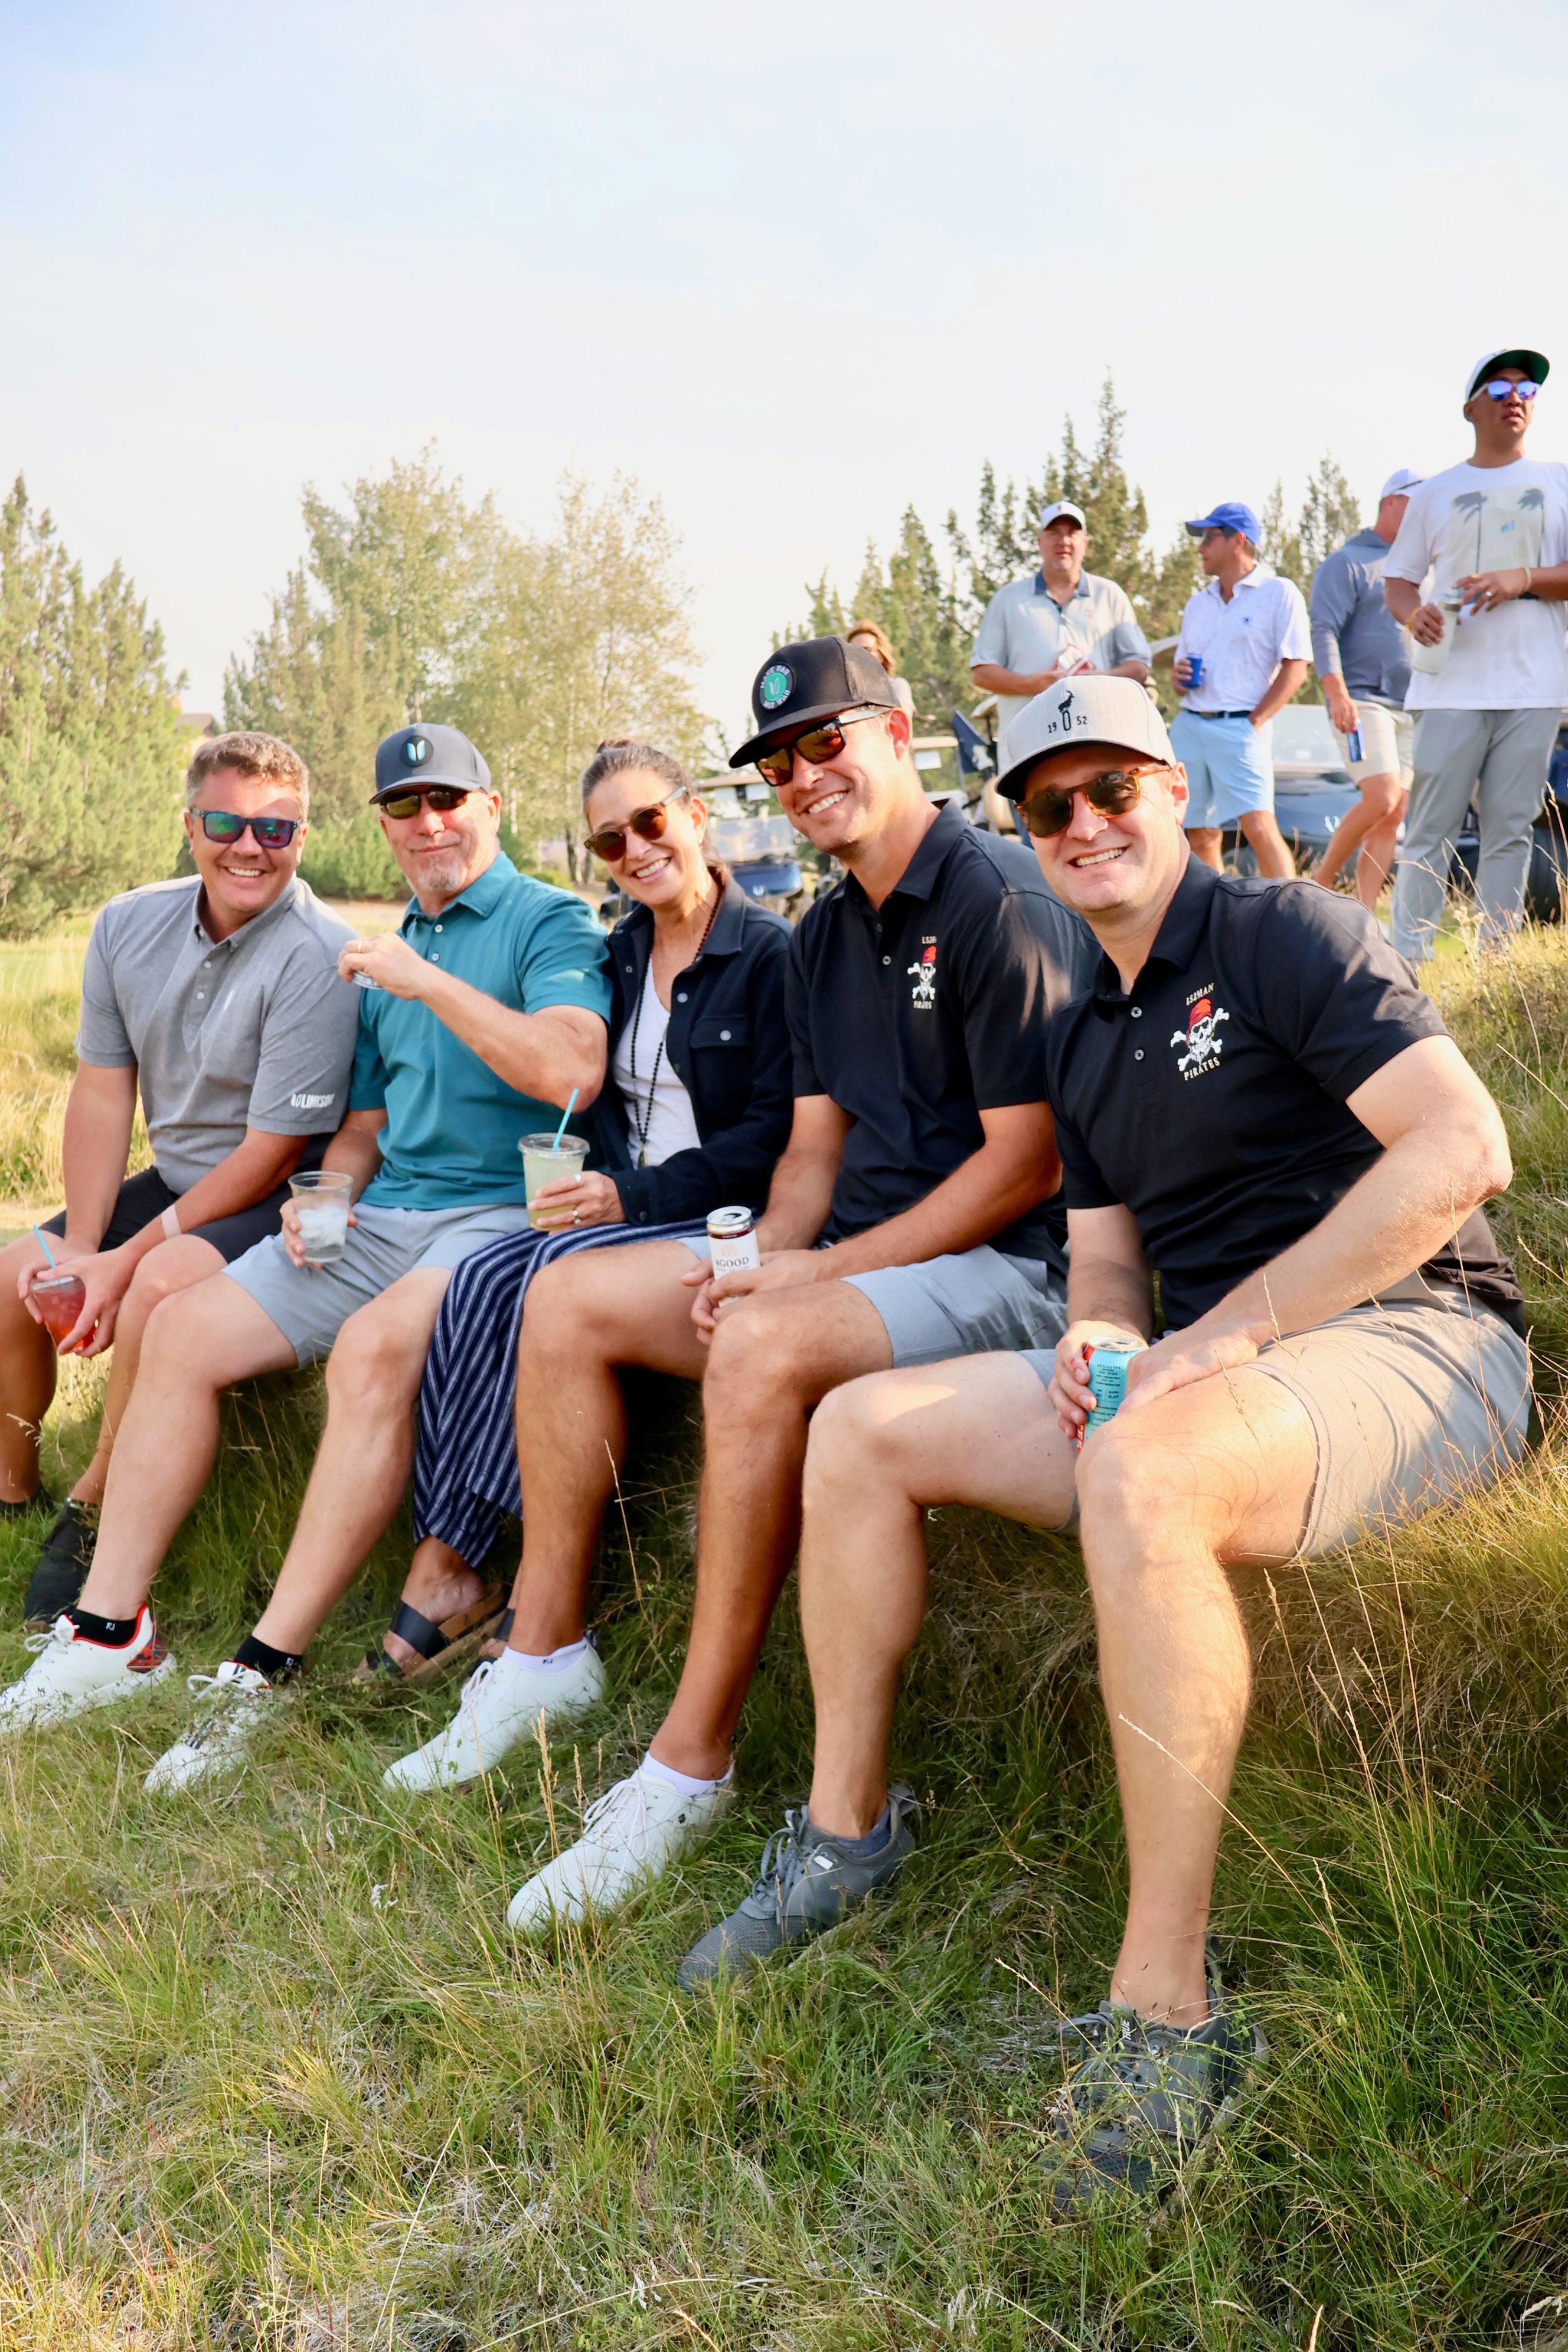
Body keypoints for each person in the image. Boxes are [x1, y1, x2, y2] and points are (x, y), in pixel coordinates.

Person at [682, 675, 1531, 2209]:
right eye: (1048, 804)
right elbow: (1109, 1262)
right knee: (864, 1428)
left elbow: (1466, 1151)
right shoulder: (1085, 1028)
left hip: (1421, 1341)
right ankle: (842, 1832)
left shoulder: (1289, 934)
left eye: (1111, 788)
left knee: (1143, 1463)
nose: (1083, 825)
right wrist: (1105, 1335)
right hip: (1220, 1370)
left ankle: (1167, 2012)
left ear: (1176, 788)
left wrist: (1229, 1336)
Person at [390, 634, 1094, 1930]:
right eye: (779, 758)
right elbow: (812, 1156)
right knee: (564, 1294)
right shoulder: (826, 933)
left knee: (765, 1348)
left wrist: (807, 1279)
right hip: (862, 1265)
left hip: (1007, 1274)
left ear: (892, 734)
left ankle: (689, 1761)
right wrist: (752, 1263)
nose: (803, 774)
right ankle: (545, 1650)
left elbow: (1019, 1168)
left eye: (825, 741)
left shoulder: (996, 898)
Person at [0, 723, 612, 1782]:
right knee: (182, 1326)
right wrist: (328, 1191)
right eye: (405, 806)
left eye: (449, 800)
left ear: (493, 806)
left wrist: (425, 979)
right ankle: (110, 1634)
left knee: (374, 1346)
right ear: (381, 826)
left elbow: (572, 1071)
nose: (428, 823)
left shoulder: (542, 919)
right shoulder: (381, 951)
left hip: (501, 1218)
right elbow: (366, 1124)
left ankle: (260, 1665)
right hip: (384, 1215)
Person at [359, 736, 793, 1683]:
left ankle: (484, 1576)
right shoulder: (624, 950)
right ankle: (453, 1557)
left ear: (695, 816)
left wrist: (624, 1195)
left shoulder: (769, 955)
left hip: (718, 1216)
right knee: (480, 1277)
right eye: (609, 841)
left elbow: (768, 1143)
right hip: (629, 1207)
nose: (635, 850)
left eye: (650, 822)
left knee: (544, 1276)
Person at [0, 730, 358, 1628]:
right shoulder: (128, 923)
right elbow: (101, 1088)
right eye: (228, 822)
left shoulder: (320, 955)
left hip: (276, 1197)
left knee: (155, 1287)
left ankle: (89, 1509)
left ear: (303, 837)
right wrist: (83, 1249)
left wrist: (123, 1265)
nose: (250, 846)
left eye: (277, 830)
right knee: (13, 1278)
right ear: (191, 822)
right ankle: (14, 1491)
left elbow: (273, 1155)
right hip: (178, 1177)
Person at [1381, 348, 1568, 965]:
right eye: (1498, 386)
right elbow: (1400, 581)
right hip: (1448, 690)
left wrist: (1522, 577)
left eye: (1526, 389)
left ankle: (1497, 963)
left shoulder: (1559, 480)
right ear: (1470, 407)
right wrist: (1414, 613)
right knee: (1429, 830)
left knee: (1509, 832)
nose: (1514, 396)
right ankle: (1408, 960)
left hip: (1532, 689)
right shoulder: (1436, 492)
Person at [969, 500, 1152, 789]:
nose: (1063, 541)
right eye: (1054, 533)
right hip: (1030, 755)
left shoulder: (1110, 595)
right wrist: (1034, 684)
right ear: (1040, 541)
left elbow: (1139, 668)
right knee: (1039, 833)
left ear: (1085, 542)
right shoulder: (1008, 600)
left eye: (1072, 532)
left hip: (1100, 747)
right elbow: (981, 673)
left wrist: (1089, 682)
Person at [1171, 502, 1310, 881]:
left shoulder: (1279, 592)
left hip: (1241, 726)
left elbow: (1296, 669)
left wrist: (1255, 721)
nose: (1200, 547)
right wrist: (1178, 677)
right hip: (1189, 724)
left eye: (1209, 537)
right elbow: (1179, 670)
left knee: (1259, 827)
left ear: (1239, 541)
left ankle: (1292, 917)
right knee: (1198, 834)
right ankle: (1216, 924)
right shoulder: (1198, 603)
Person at [1309, 469, 1423, 907]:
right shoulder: (1348, 561)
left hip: (1412, 706)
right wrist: (1336, 692)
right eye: (1418, 503)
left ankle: (1364, 918)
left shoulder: (1421, 567)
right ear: (1392, 501)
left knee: (1394, 815)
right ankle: (1319, 885)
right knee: (1382, 796)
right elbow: (1323, 630)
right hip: (1360, 701)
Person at [845, 619, 916, 716]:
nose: (859, 656)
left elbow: (903, 720)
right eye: (853, 651)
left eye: (867, 650)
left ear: (881, 655)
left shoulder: (896, 686)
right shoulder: (843, 694)